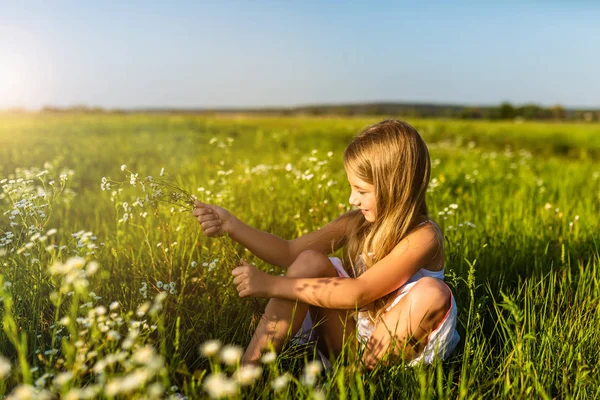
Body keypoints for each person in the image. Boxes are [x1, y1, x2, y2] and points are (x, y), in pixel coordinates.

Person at [192, 120, 459, 369]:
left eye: (362, 191)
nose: (352, 199)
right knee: (309, 261)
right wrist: (232, 225)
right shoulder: (355, 223)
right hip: (348, 340)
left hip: (393, 349)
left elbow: (360, 293)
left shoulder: (424, 236)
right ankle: (247, 374)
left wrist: (270, 284)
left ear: (395, 187)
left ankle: (359, 382)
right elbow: (288, 252)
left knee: (432, 292)